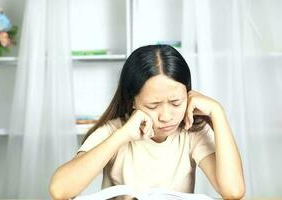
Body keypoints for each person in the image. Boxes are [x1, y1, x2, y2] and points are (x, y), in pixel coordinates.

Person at [49, 45, 245, 200]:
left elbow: (233, 192)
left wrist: (217, 112)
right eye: (153, 105)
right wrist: (122, 136)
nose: (166, 116)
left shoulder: (192, 132)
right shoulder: (114, 131)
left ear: (188, 94)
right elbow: (60, 190)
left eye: (176, 103)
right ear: (132, 100)